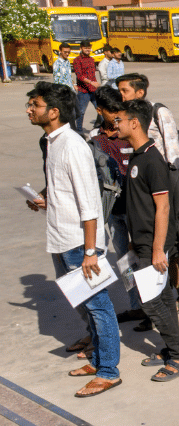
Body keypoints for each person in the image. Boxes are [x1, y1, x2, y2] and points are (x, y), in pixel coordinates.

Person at [26, 81, 122, 398]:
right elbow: (64, 192)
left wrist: (91, 252)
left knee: (99, 307)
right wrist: (45, 200)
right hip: (62, 239)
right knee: (84, 303)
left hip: (80, 245)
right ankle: (97, 359)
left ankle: (109, 371)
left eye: (35, 105)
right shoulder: (52, 142)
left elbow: (90, 204)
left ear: (53, 112)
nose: (29, 109)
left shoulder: (73, 146)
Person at [104, 99, 179, 381]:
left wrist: (157, 250)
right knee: (164, 297)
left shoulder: (153, 160)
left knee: (151, 301)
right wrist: (133, 241)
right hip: (143, 242)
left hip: (156, 244)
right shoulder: (137, 156)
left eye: (118, 120)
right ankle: (171, 347)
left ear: (134, 123)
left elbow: (163, 207)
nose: (114, 124)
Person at [71, 41, 100, 134]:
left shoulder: (92, 59)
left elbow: (93, 75)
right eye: (85, 48)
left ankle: (99, 127)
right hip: (83, 91)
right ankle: (79, 130)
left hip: (93, 90)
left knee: (101, 110)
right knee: (81, 112)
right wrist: (91, 82)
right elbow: (79, 76)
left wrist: (95, 84)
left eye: (89, 48)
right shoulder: (77, 60)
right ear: (81, 48)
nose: (87, 49)